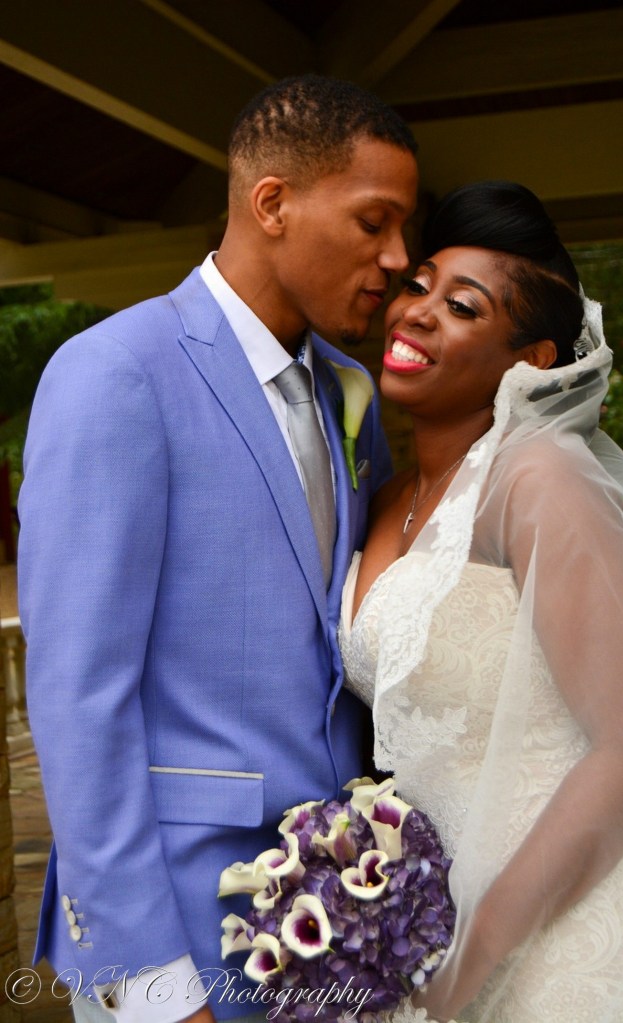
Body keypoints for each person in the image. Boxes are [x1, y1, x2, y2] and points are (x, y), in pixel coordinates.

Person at [18, 74, 418, 1023]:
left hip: (329, 922)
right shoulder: (115, 373)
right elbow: (79, 698)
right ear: (271, 203)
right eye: (374, 222)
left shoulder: (350, 390)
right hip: (180, 922)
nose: (399, 258)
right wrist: (151, 983)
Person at [339, 181, 623, 1023]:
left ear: (529, 360)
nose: (417, 312)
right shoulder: (385, 499)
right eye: (418, 286)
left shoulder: (539, 477)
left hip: (561, 935)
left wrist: (474, 953)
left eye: (462, 307)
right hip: (428, 923)